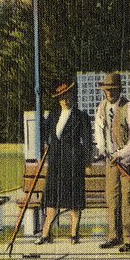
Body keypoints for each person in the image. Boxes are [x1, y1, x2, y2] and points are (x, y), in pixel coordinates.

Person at [92, 73, 130, 252]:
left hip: (129, 160)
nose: (109, 93)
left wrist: (121, 154)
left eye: (113, 90)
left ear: (119, 90)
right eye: (107, 90)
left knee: (128, 198)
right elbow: (99, 131)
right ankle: (114, 236)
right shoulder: (102, 107)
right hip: (111, 159)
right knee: (112, 198)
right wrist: (103, 150)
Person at [36, 82, 89, 244]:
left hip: (73, 161)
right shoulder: (52, 115)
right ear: (58, 100)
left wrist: (86, 163)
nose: (64, 100)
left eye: (66, 96)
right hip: (56, 162)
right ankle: (45, 233)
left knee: (73, 199)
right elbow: (44, 133)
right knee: (52, 197)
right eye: (61, 97)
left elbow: (87, 142)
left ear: (71, 95)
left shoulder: (81, 116)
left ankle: (73, 234)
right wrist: (45, 143)